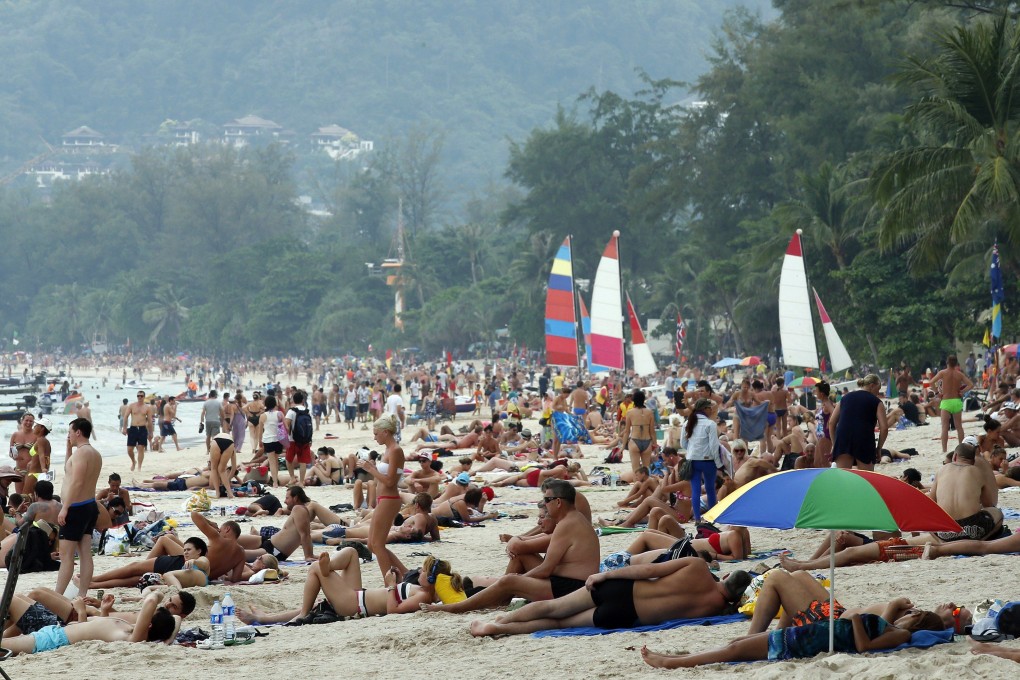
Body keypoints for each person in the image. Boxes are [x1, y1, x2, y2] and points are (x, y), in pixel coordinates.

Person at [423, 480, 599, 613]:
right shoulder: (572, 520)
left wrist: (517, 580)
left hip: (570, 589)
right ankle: (500, 598)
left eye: (547, 500)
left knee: (508, 581)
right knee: (518, 563)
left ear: (558, 502)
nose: (544, 504)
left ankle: (457, 608)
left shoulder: (567, 524)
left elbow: (546, 569)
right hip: (570, 583)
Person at [469, 558, 752, 636]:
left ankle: (502, 619)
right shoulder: (718, 610)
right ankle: (499, 629)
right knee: (557, 624)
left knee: (554, 608)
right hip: (626, 616)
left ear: (725, 577)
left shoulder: (697, 567)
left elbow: (648, 570)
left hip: (623, 590)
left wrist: (606, 575)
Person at [640, 607, 944, 667]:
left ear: (916, 619)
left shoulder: (901, 633)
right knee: (735, 647)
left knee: (734, 651)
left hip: (807, 643)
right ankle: (678, 660)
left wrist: (853, 619)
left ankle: (673, 664)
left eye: (914, 611)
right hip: (812, 634)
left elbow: (865, 648)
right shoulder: (894, 627)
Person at [240, 553, 463, 625]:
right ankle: (268, 617)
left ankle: (302, 613)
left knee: (317, 568)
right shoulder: (421, 589)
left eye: (424, 572)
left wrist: (391, 587)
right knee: (351, 552)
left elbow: (394, 610)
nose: (420, 573)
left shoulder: (423, 594)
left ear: (432, 578)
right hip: (358, 596)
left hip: (354, 605)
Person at [1, 591, 179, 654]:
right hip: (55, 632)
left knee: (8, 602)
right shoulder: (126, 630)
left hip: (52, 640)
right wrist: (104, 611)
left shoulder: (134, 638)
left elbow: (150, 603)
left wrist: (158, 594)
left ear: (148, 624)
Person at [56, 418, 102, 596]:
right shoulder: (93, 453)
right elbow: (70, 470)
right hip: (88, 505)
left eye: (69, 433)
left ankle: (58, 595)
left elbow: (77, 481)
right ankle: (82, 594)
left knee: (66, 556)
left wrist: (65, 507)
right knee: (84, 553)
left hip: (76, 508)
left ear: (78, 432)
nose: (68, 436)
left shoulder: (82, 454)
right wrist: (68, 449)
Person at [360, 415, 406, 577]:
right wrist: (372, 468)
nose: (374, 437)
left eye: (376, 433)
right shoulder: (388, 450)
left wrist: (370, 469)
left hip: (390, 499)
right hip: (384, 500)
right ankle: (404, 573)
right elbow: (385, 478)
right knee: (372, 545)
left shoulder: (396, 450)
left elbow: (391, 481)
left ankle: (390, 582)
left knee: (377, 544)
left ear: (385, 432)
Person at [237, 486, 315, 562]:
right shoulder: (298, 510)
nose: (285, 501)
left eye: (287, 498)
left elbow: (305, 534)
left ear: (295, 498)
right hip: (268, 541)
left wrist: (308, 556)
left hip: (273, 552)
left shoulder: (299, 509)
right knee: (231, 539)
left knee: (235, 554)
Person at [829, 375, 886, 471]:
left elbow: (831, 423)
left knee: (843, 477)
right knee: (867, 478)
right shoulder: (876, 402)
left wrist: (835, 444)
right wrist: (879, 448)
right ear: (872, 386)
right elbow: (884, 428)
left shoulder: (845, 398)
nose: (878, 392)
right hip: (864, 438)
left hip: (844, 437)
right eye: (878, 389)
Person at [681, 398, 721, 523]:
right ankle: (712, 517)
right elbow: (714, 446)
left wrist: (693, 450)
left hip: (693, 460)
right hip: (708, 461)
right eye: (709, 408)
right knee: (710, 489)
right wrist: (719, 463)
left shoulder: (687, 423)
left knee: (695, 490)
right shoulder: (710, 424)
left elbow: (683, 443)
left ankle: (697, 519)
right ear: (705, 409)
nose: (711, 410)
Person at [931, 355, 974, 454]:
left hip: (946, 401)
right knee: (959, 427)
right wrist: (962, 392)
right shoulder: (959, 374)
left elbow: (931, 382)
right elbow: (971, 384)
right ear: (956, 364)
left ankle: (944, 450)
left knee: (944, 427)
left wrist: (937, 393)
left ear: (947, 363)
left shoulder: (942, 373)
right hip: (956, 401)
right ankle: (961, 448)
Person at [621, 390, 656, 472]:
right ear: (644, 400)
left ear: (634, 400)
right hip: (647, 441)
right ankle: (645, 484)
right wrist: (655, 444)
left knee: (635, 470)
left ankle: (637, 484)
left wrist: (622, 447)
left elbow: (627, 431)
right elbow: (652, 432)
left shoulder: (630, 413)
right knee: (646, 470)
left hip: (634, 441)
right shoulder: (650, 412)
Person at [284, 390, 312, 485]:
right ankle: (301, 482)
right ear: (302, 400)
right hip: (305, 439)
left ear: (293, 400)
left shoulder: (291, 411)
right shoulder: (306, 411)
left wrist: (285, 437)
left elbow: (286, 425)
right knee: (302, 461)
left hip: (292, 439)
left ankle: (292, 478)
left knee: (288, 460)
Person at [122, 389, 152, 472]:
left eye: (141, 396)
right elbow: (125, 417)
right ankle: (133, 461)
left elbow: (149, 420)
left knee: (141, 448)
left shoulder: (147, 407)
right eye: (138, 396)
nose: (139, 397)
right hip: (133, 428)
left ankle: (139, 467)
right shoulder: (132, 406)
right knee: (129, 449)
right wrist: (124, 428)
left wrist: (150, 432)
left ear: (144, 397)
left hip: (142, 429)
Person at [258, 394, 284, 486]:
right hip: (278, 439)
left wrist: (259, 441)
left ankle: (275, 483)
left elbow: (260, 431)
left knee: (272, 462)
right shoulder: (279, 414)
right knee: (276, 461)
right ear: (274, 404)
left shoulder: (263, 416)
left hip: (268, 439)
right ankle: (276, 480)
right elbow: (283, 427)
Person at [22, 416, 52, 497]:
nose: (34, 426)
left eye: (36, 425)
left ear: (42, 428)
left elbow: (42, 455)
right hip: (40, 474)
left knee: (26, 498)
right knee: (38, 499)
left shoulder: (40, 440)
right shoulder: (45, 441)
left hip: (35, 474)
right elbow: (45, 457)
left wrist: (43, 468)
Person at [208, 431, 236, 499]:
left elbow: (210, 465)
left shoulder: (216, 438)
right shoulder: (233, 449)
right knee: (221, 469)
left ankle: (217, 493)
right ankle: (230, 493)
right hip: (230, 442)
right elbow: (234, 467)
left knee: (214, 468)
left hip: (216, 441)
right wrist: (228, 479)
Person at [202, 389, 222, 454]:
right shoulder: (218, 402)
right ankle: (214, 449)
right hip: (216, 421)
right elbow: (222, 412)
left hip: (208, 421)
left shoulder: (206, 402)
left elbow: (203, 413)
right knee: (215, 436)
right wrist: (223, 420)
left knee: (208, 436)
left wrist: (201, 421)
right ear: (215, 395)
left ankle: (208, 450)